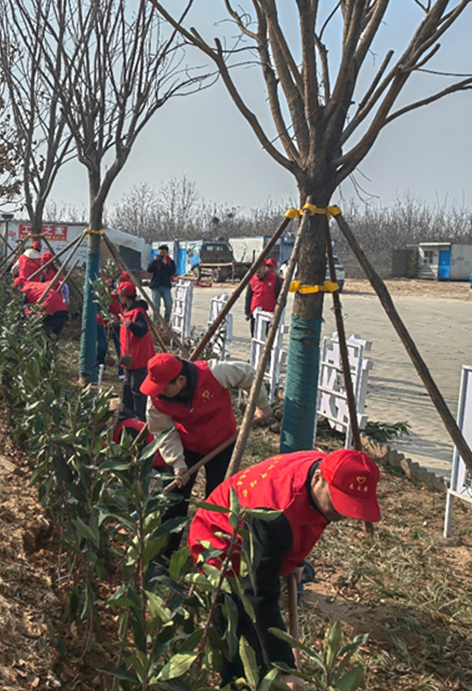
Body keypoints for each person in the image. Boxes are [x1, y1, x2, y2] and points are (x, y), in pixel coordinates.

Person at [188, 448, 381, 690]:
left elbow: (299, 520)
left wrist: (294, 561)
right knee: (239, 636)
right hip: (219, 544)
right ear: (318, 478)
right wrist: (284, 666)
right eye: (338, 502)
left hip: (259, 535)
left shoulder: (324, 468)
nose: (342, 513)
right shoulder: (275, 513)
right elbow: (259, 593)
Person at [138, 352, 272, 556]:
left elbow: (247, 374)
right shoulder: (156, 401)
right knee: (174, 501)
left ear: (180, 380)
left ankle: (210, 553)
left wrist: (261, 405)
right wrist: (178, 463)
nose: (159, 393)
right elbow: (165, 434)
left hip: (222, 443)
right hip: (186, 445)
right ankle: (165, 556)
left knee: (217, 500)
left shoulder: (214, 373)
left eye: (164, 388)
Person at [117, 281, 155, 420]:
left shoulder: (138, 312)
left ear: (125, 296)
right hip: (129, 356)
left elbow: (142, 330)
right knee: (127, 386)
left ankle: (140, 417)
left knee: (137, 388)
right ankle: (127, 414)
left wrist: (132, 325)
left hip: (139, 356)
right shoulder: (126, 309)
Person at [245, 259, 283, 336]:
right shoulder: (252, 279)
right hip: (255, 313)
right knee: (254, 335)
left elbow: (279, 296)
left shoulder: (274, 278)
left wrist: (279, 311)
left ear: (264, 267)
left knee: (268, 335)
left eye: (259, 267)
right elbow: (248, 296)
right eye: (256, 268)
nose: (257, 270)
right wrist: (247, 312)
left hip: (269, 313)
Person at [146, 244, 177, 323]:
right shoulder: (156, 261)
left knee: (169, 304)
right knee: (156, 306)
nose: (161, 255)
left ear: (167, 253)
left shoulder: (170, 262)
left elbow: (172, 272)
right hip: (155, 286)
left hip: (165, 286)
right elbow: (149, 269)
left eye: (163, 253)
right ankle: (156, 322)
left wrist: (166, 264)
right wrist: (154, 261)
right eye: (160, 253)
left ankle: (166, 321)